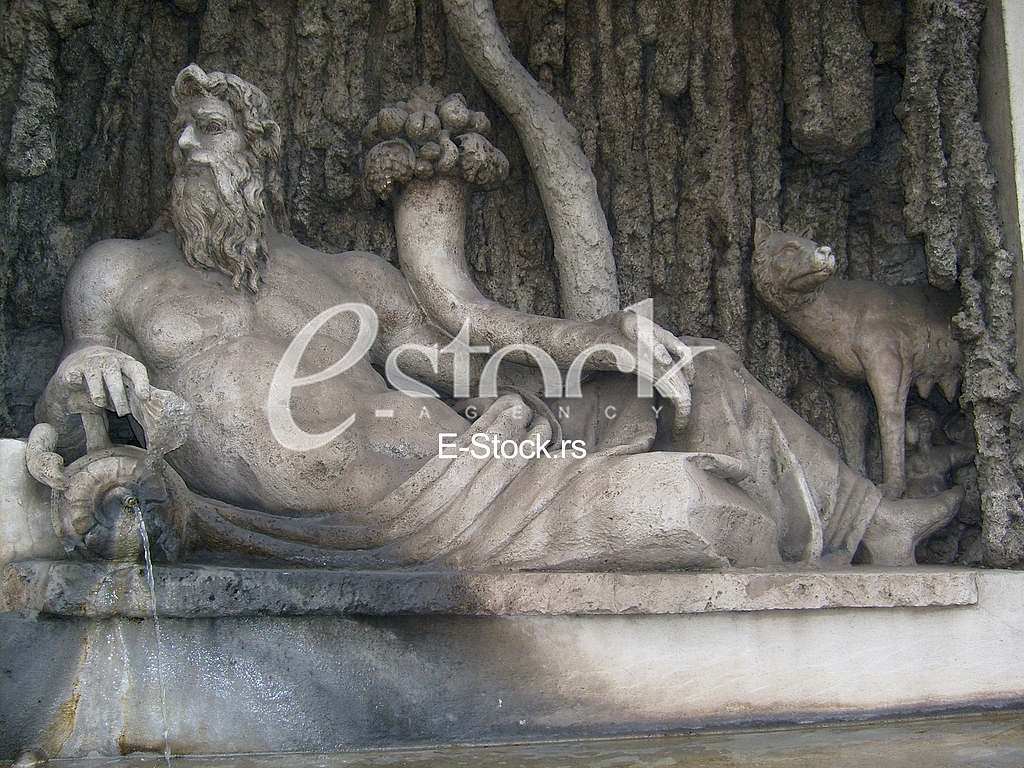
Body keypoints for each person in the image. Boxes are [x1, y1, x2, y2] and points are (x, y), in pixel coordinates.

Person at [31, 64, 960, 570]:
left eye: (214, 128)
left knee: (698, 365)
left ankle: (869, 518)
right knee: (712, 517)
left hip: (492, 459)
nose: (189, 146)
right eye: (180, 131)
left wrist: (597, 343)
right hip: (387, 517)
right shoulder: (118, 273)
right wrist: (84, 376)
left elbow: (465, 350)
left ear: (261, 151)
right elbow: (75, 382)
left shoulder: (341, 270)